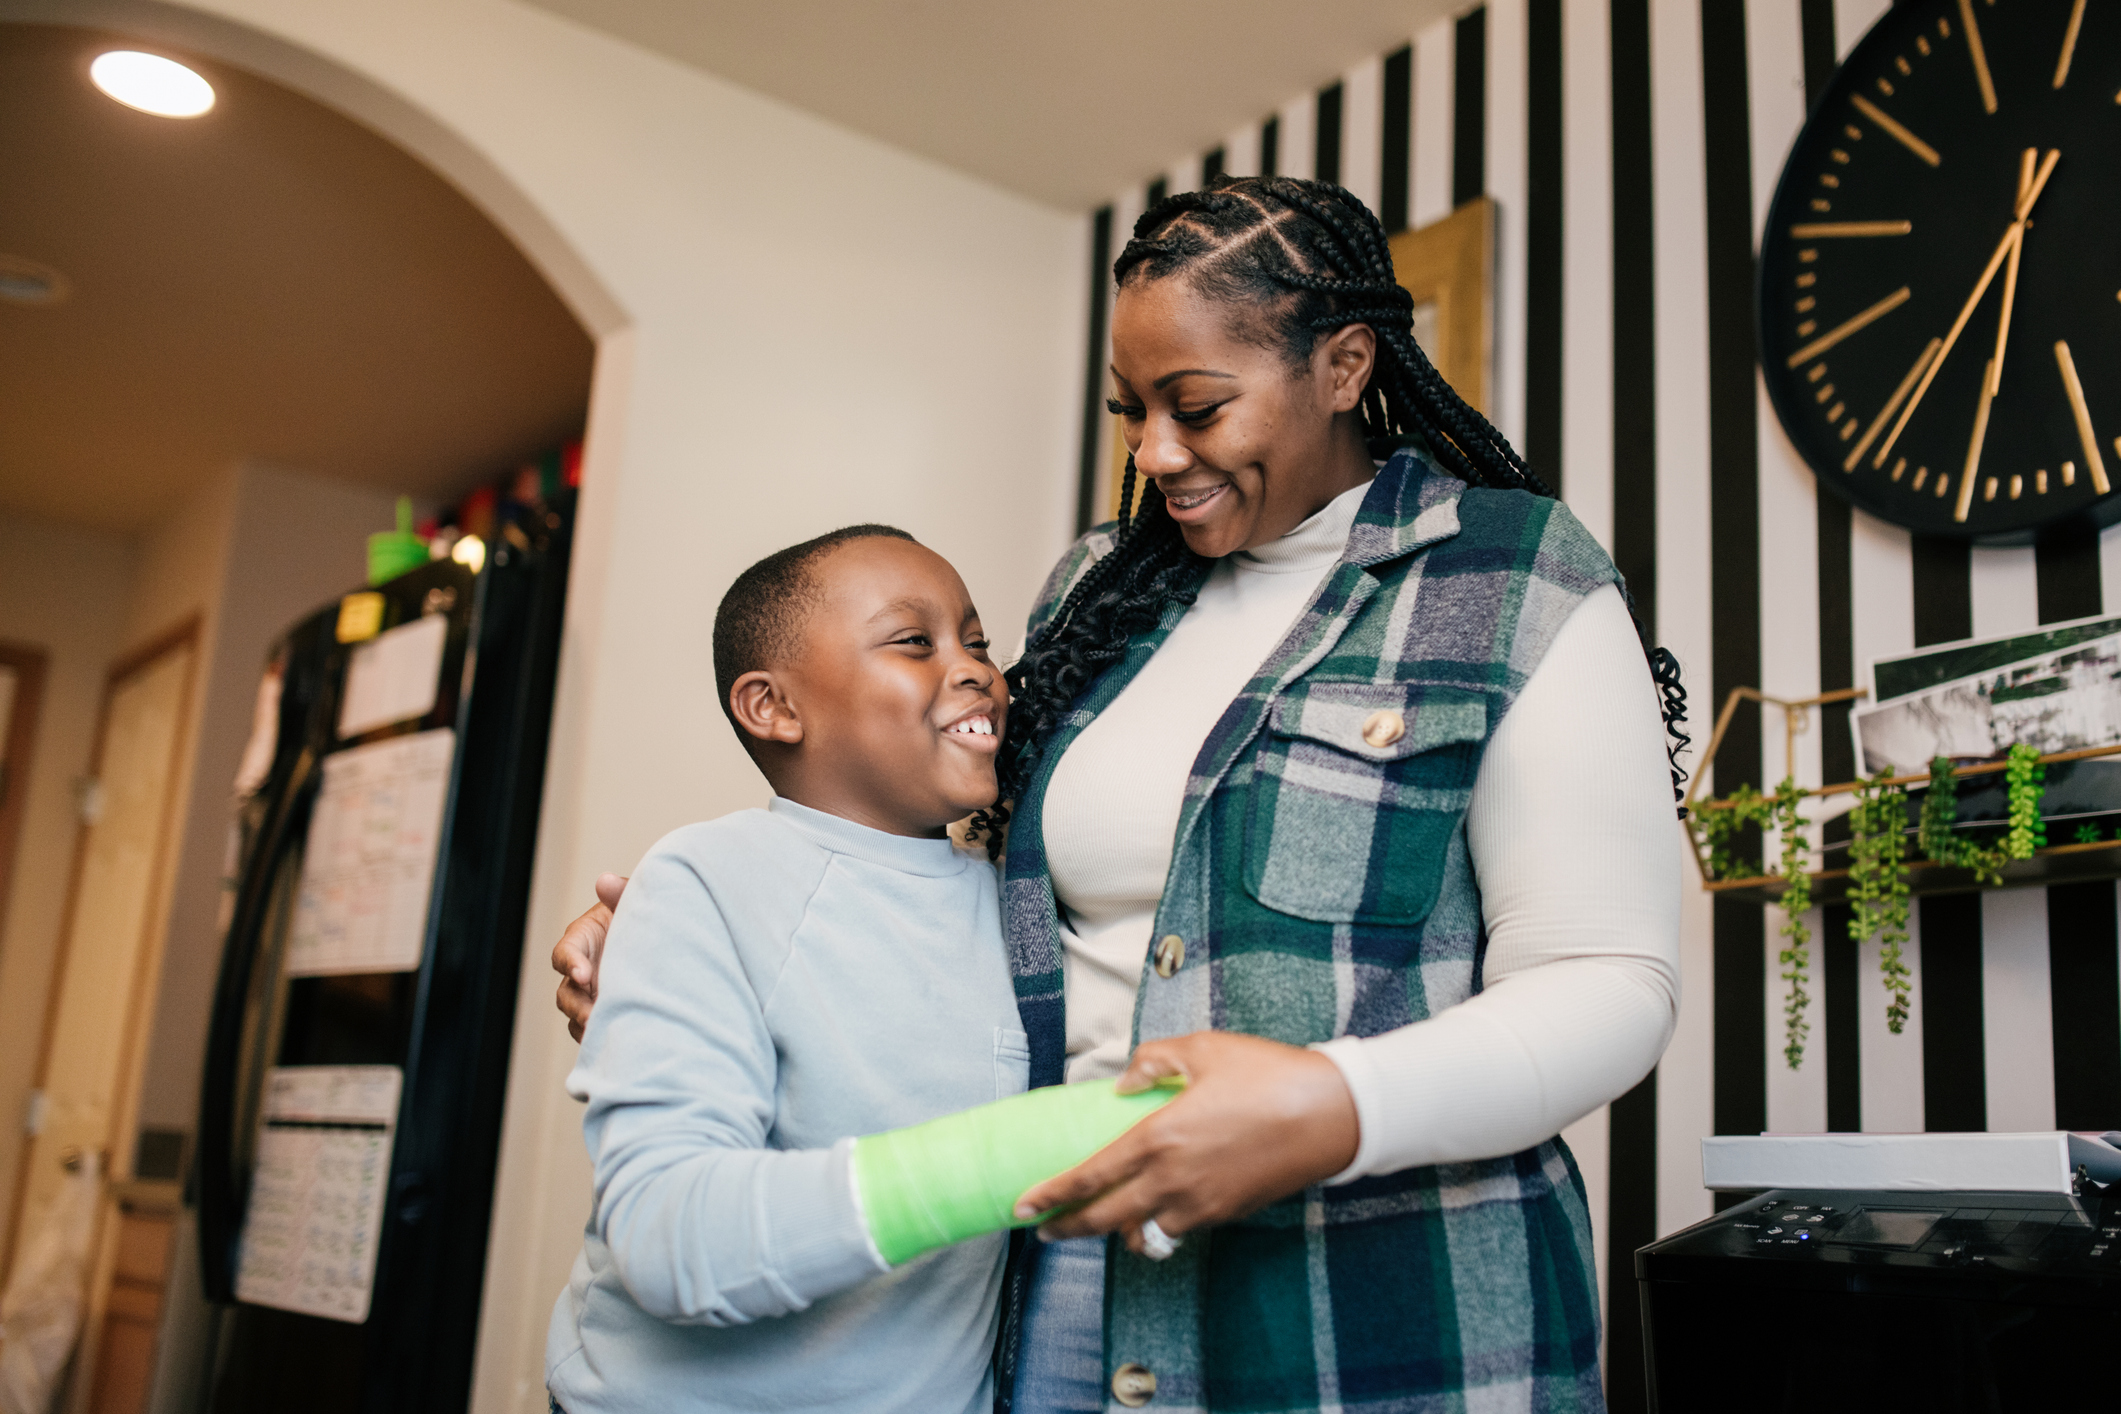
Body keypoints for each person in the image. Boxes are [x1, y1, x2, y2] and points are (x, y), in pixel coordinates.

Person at [555, 175, 1684, 1414]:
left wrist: (1333, 1106)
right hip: (1062, 1294)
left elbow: (1607, 982)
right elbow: (977, 891)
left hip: (1379, 1297)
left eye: (1195, 405)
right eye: (1130, 411)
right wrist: (691, 949)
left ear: (1348, 363)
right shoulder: (1102, 588)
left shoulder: (1511, 574)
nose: (1152, 454)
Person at [546, 525, 1025, 1414]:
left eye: (978, 641)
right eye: (915, 642)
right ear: (772, 706)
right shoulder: (705, 878)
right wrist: (1001, 1163)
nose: (976, 671)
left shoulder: (1018, 909)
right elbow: (667, 1233)